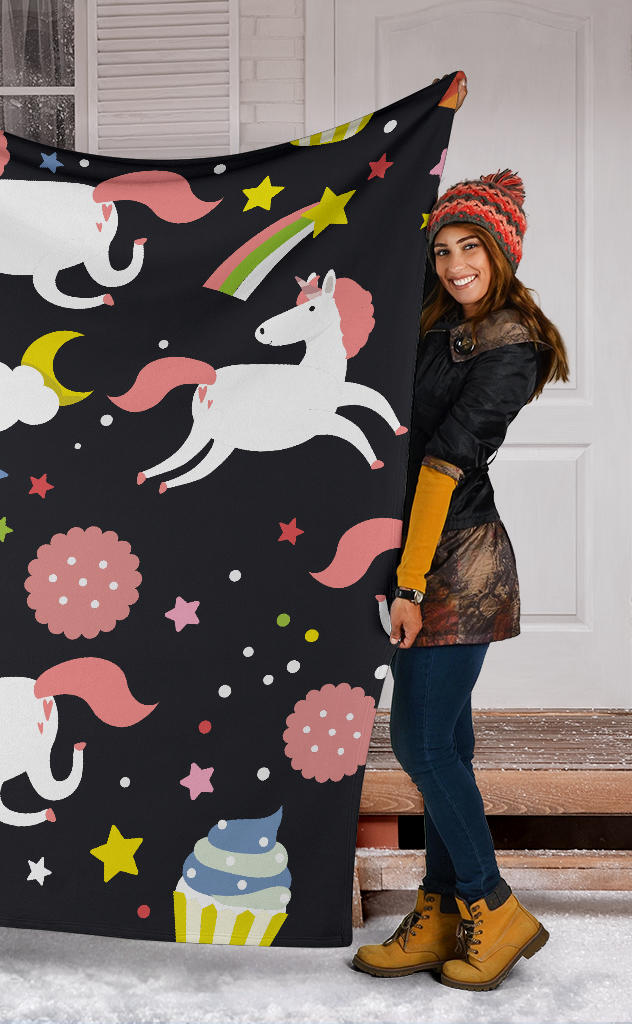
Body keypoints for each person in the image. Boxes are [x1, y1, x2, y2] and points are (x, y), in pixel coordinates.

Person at [350, 164, 569, 990]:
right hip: (416, 552)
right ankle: (442, 912)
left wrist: (409, 587)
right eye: (442, 249)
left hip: (458, 566)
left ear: (501, 253)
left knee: (420, 744)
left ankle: (493, 906)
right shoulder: (437, 318)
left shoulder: (512, 343)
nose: (454, 265)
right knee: (448, 745)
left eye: (471, 247)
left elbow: (445, 463)